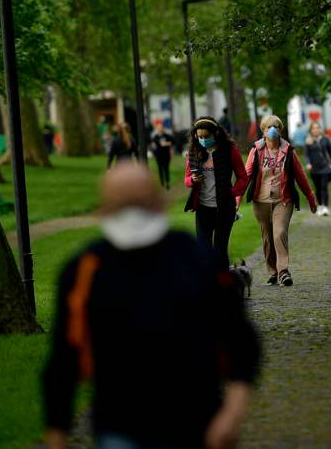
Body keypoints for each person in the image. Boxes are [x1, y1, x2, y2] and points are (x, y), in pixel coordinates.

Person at [43, 163, 260, 449]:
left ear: (158, 204)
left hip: (197, 423)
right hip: (120, 427)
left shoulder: (197, 260)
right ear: (103, 209)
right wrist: (57, 433)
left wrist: (232, 413)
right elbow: (64, 358)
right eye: (123, 204)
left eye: (139, 202)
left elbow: (240, 342)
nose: (132, 213)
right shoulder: (85, 270)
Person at [245, 115, 317, 287]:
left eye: (276, 126)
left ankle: (283, 271)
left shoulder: (288, 151)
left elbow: (301, 177)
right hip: (260, 201)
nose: (272, 129)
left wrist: (311, 198)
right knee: (267, 238)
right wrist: (236, 198)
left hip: (283, 200)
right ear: (263, 131)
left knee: (279, 233)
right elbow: (246, 176)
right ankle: (273, 271)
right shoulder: (256, 151)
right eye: (268, 127)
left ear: (281, 130)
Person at [184, 118, 250, 265]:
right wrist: (193, 180)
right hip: (203, 208)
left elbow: (243, 177)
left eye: (206, 136)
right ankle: (208, 285)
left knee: (220, 250)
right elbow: (187, 179)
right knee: (204, 250)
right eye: (199, 137)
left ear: (216, 133)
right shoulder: (194, 153)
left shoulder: (230, 151)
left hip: (224, 208)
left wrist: (232, 193)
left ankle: (224, 284)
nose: (203, 140)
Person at [304, 121, 331, 217]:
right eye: (314, 128)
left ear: (320, 129)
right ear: (311, 130)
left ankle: (325, 207)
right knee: (318, 188)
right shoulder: (308, 141)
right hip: (314, 168)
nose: (316, 129)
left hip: (325, 167)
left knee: (324, 187)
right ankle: (320, 206)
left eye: (317, 127)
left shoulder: (325, 139)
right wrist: (308, 163)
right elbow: (306, 155)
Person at [150, 120, 175, 191]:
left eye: (161, 128)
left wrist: (167, 144)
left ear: (162, 128)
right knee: (160, 169)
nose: (160, 129)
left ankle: (167, 183)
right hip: (159, 155)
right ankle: (162, 183)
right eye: (158, 128)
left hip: (166, 155)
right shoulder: (155, 137)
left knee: (166, 169)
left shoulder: (167, 136)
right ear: (157, 129)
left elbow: (173, 142)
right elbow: (154, 145)